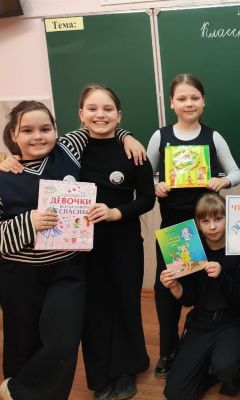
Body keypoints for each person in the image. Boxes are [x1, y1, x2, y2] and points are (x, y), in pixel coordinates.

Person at [146, 73, 240, 377]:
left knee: (210, 279)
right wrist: (155, 185)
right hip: (175, 227)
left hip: (209, 225)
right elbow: (144, 177)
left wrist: (223, 181)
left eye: (195, 98)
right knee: (169, 285)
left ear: (203, 101)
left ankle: (207, 336)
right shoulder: (161, 137)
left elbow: (236, 172)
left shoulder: (213, 137)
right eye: (182, 98)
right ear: (171, 103)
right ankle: (168, 350)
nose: (189, 103)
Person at [0, 101, 89, 400]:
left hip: (67, 269)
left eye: (45, 129)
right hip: (19, 275)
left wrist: (126, 136)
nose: (38, 136)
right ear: (13, 134)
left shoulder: (69, 148)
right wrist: (29, 222)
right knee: (22, 344)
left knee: (63, 342)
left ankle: (17, 390)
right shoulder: (2, 175)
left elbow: (99, 123)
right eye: (27, 130)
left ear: (56, 131)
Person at [77, 85, 155, 400]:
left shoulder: (134, 151)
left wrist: (116, 213)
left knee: (125, 304)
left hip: (124, 242)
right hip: (82, 246)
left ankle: (127, 369)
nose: (101, 115)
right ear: (81, 114)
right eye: (92, 109)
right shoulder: (69, 150)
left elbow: (147, 199)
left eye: (108, 109)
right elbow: (36, 155)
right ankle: (100, 375)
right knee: (93, 308)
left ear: (119, 115)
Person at [160, 193, 240, 400]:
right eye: (205, 221)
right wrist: (175, 287)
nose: (212, 226)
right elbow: (190, 300)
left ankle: (236, 370)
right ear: (198, 224)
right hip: (201, 323)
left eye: (218, 219)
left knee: (227, 367)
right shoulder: (193, 251)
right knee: (175, 393)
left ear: (228, 219)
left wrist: (222, 275)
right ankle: (211, 366)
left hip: (232, 322)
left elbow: (239, 299)